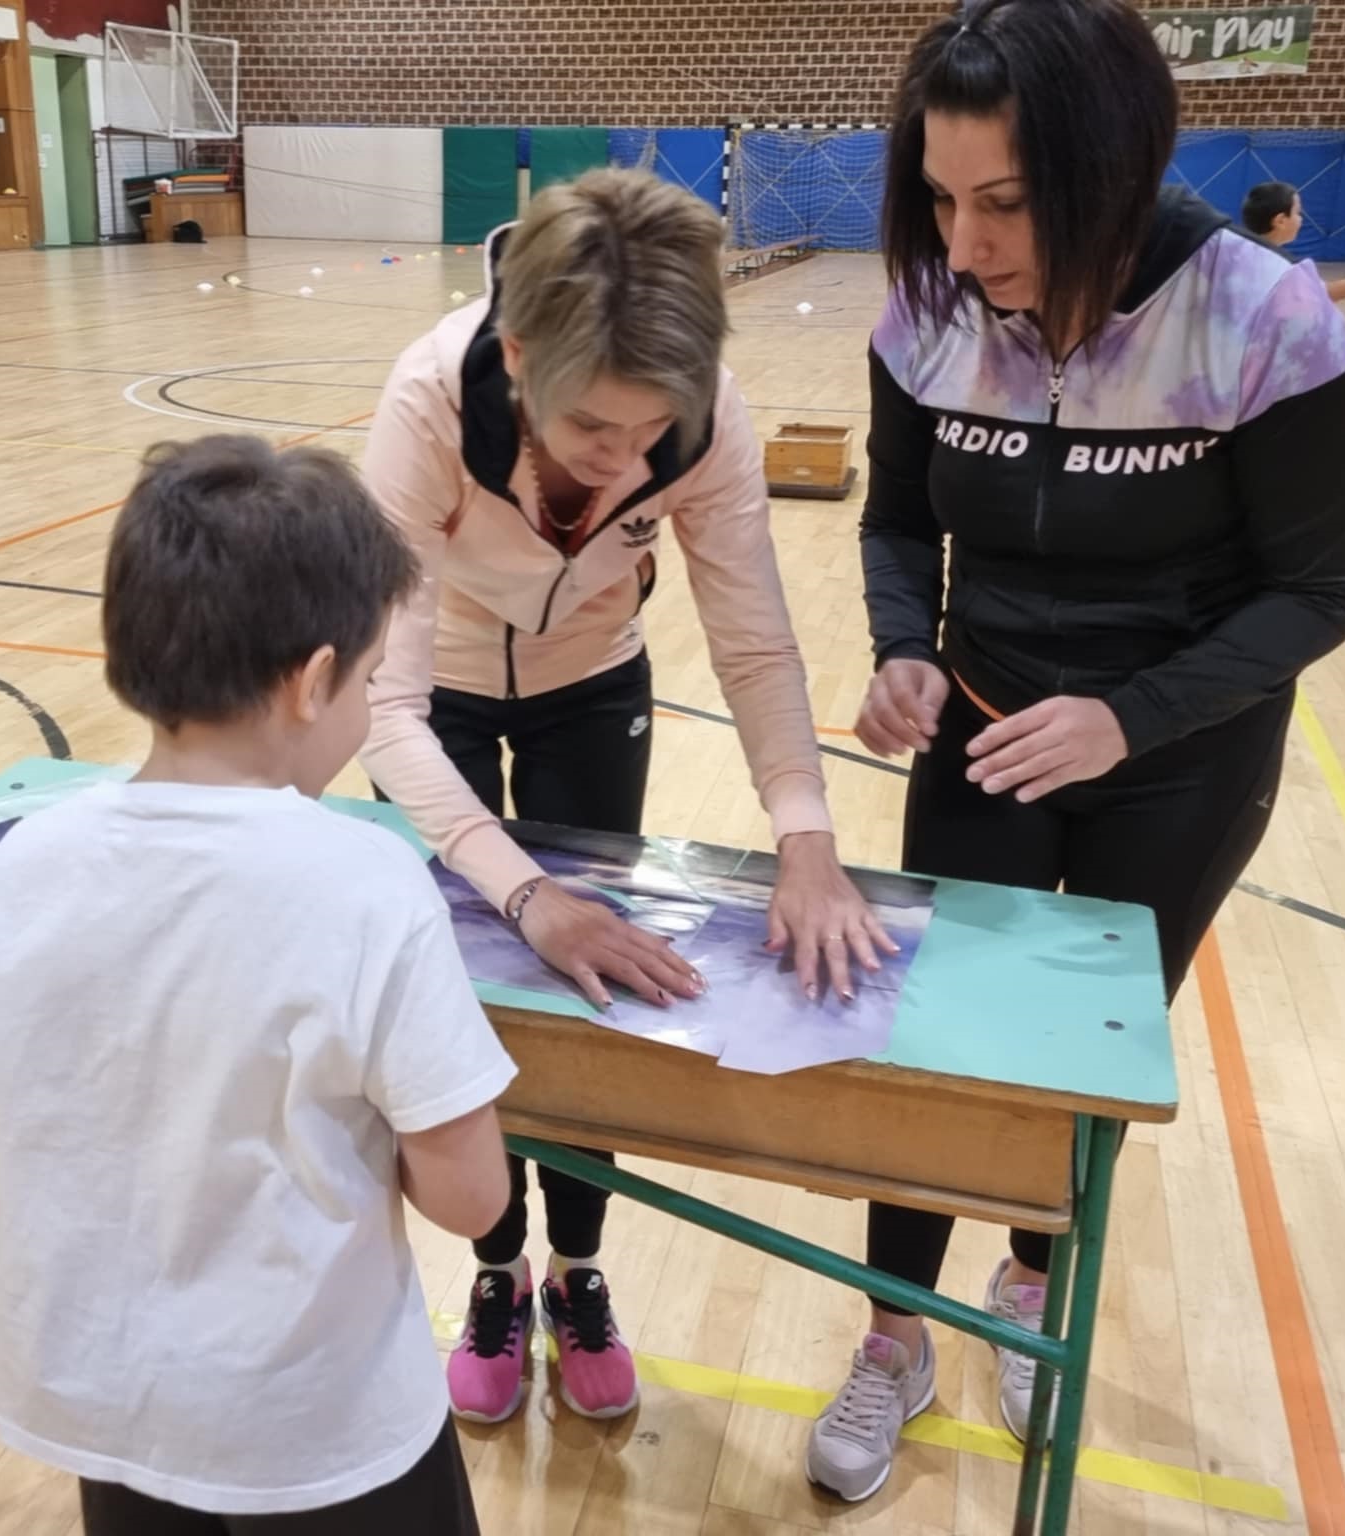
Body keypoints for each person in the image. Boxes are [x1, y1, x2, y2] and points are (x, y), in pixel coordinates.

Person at [809, 0, 1345, 1504]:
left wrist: (1130, 716)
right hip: (986, 731)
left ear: (1111, 168)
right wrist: (903, 645)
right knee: (936, 1051)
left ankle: (1027, 1285)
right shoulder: (927, 310)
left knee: (1068, 1068)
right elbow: (896, 520)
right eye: (941, 199)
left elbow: (1322, 589)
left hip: (1180, 757)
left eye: (1004, 202)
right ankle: (892, 1335)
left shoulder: (1262, 318)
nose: (966, 243)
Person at [0, 435, 517, 1535]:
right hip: (320, 1430)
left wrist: (114, 1175)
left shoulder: (22, 864)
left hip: (109, 1412)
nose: (368, 706)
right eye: (369, 680)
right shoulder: (368, 881)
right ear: (312, 682)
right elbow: (472, 1199)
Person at [359, 166, 891, 1427]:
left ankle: (578, 1269)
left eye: (653, 429)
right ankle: (496, 1270)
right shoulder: (427, 400)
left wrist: (806, 835)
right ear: (518, 354)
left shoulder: (704, 416)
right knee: (458, 980)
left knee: (594, 988)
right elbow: (380, 707)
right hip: (434, 697)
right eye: (595, 426)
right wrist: (525, 893)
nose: (626, 460)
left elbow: (754, 640)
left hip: (592, 682)